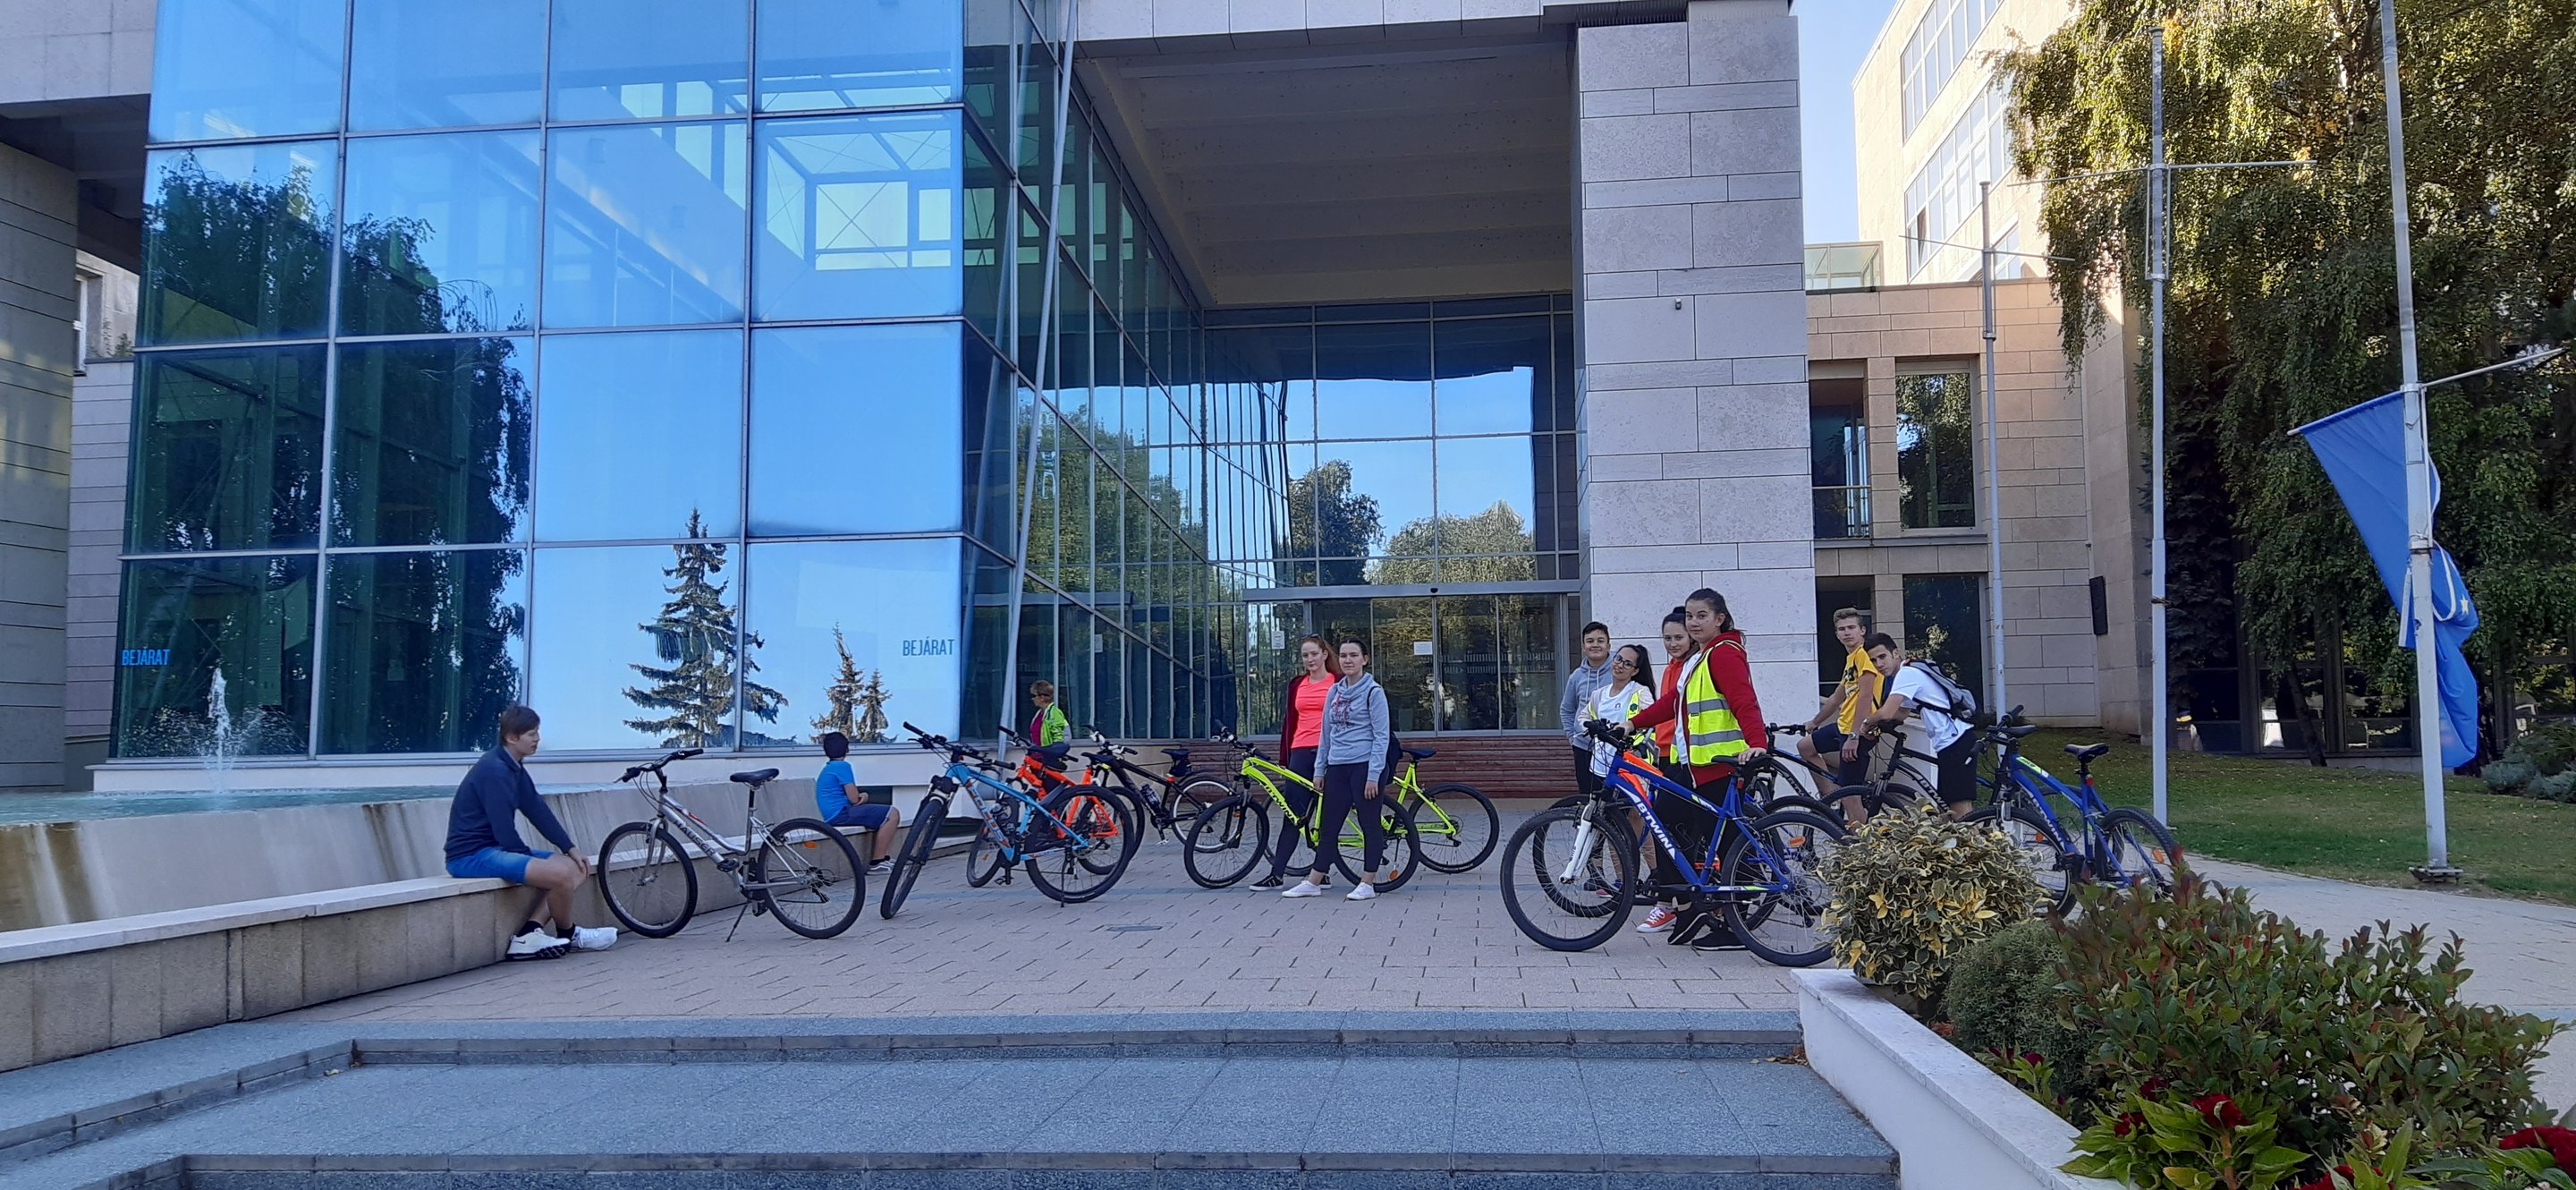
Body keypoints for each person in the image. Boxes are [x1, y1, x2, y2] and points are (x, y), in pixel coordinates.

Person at [1625, 589, 1768, 949]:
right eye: (1690, 616)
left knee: (1728, 842)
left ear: (1719, 619)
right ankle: (1687, 906)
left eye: (1701, 615)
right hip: (1697, 768)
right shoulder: (1700, 659)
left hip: (1722, 766)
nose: (1693, 622)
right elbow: (1672, 703)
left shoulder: (1724, 654)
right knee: (1667, 820)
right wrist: (1633, 723)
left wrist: (1757, 743)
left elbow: (1744, 700)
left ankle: (1734, 926)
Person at [444, 706, 615, 961]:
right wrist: (530, 861)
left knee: (577, 867)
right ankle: (568, 933)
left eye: (537, 733)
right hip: (470, 856)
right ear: (511, 738)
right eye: (531, 734)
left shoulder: (513, 767)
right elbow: (503, 828)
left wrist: (570, 848)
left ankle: (529, 933)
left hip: (494, 849)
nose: (537, 739)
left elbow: (537, 810)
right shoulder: (494, 770)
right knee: (560, 875)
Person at [1283, 638, 1394, 902]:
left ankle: (1367, 883)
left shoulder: (1373, 692)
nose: (1348, 660)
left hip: (1363, 766)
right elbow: (1326, 734)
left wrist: (1373, 775)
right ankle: (1314, 881)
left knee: (1369, 825)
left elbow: (1381, 737)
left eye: (1354, 655)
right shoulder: (1334, 691)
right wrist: (1319, 770)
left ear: (1364, 659)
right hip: (1337, 766)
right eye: (1343, 655)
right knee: (1329, 827)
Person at [1860, 633, 1979, 817]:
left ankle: (1976, 835)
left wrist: (1866, 724)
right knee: (1946, 811)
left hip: (1955, 742)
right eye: (1873, 661)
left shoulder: (1907, 673)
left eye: (1882, 657)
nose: (1879, 664)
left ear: (1895, 653)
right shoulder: (1908, 672)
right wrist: (1882, 725)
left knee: (1958, 811)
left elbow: (1887, 712)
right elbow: (1901, 713)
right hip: (1950, 743)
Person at [1253, 635, 1335, 891]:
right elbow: (1289, 721)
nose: (1310, 659)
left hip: (1330, 753)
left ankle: (1322, 872)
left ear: (1324, 654)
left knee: (1328, 817)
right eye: (1305, 655)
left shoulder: (1338, 681)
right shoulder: (1297, 684)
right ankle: (1277, 874)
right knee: (1293, 815)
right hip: (1300, 751)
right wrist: (1285, 758)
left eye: (1314, 654)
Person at [1801, 608, 1882, 827]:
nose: (1847, 633)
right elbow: (1836, 698)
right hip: (1843, 726)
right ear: (1836, 634)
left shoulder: (1864, 655)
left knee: (1850, 794)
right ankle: (1831, 799)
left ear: (1862, 630)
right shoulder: (1851, 658)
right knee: (1805, 747)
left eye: (1851, 628)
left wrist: (1855, 736)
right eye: (1841, 629)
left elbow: (1866, 695)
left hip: (1858, 731)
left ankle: (1861, 840)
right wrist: (1815, 722)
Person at [815, 730, 901, 871]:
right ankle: (877, 862)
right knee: (892, 813)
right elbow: (854, 799)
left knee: (883, 816)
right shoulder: (842, 767)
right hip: (841, 814)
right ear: (847, 749)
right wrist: (865, 796)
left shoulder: (829, 768)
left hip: (834, 814)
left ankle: (883, 858)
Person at [1581, 644, 1656, 781]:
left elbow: (1651, 720)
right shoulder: (1599, 694)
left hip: (1628, 766)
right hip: (1599, 765)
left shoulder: (1640, 692)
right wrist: (1591, 727)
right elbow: (1583, 718)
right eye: (1618, 659)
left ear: (1635, 671)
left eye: (1627, 664)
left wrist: (1631, 731)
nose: (1620, 665)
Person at [1559, 621, 1614, 798]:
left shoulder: (1619, 670)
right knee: (1587, 798)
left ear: (1608, 645)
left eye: (1600, 640)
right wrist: (1572, 737)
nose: (1595, 645)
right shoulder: (1577, 677)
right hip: (1584, 748)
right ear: (1583, 647)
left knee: (1616, 800)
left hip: (1614, 747)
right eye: (1590, 641)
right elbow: (1566, 710)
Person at [1027, 680, 1070, 752]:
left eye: (1034, 696)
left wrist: (1055, 751)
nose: (1032, 699)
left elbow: (1058, 736)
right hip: (1037, 753)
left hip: (1048, 755)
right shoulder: (1039, 713)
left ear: (1042, 697)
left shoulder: (1054, 712)